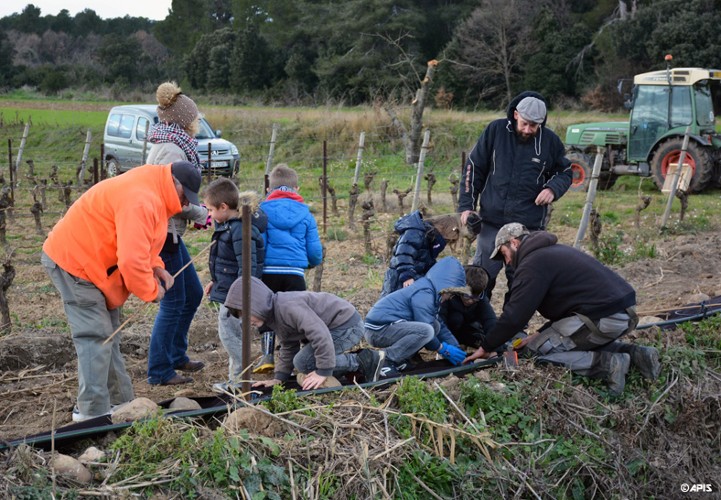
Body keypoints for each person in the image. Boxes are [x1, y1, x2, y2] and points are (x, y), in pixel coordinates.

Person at [41, 161, 201, 422]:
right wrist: (151, 291)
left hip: (95, 264)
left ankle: (121, 403)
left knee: (109, 333)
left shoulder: (154, 191)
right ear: (176, 185)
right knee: (96, 336)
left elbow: (143, 243)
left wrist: (157, 267)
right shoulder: (142, 199)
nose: (185, 203)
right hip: (74, 263)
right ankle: (92, 414)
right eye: (185, 196)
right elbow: (130, 260)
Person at [464, 223, 662, 395]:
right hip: (623, 313)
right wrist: (539, 334)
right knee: (552, 342)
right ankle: (635, 354)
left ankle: (608, 365)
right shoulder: (555, 252)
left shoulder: (532, 263)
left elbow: (515, 315)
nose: (506, 262)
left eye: (503, 255)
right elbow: (569, 308)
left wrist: (486, 347)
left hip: (601, 319)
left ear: (514, 243)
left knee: (531, 355)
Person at [458, 92, 573, 301]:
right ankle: (475, 326)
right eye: (525, 124)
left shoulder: (550, 142)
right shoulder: (495, 131)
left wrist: (552, 189)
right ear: (515, 114)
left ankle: (515, 329)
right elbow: (473, 168)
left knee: (522, 283)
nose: (528, 130)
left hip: (527, 228)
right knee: (480, 278)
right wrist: (466, 205)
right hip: (491, 223)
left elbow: (564, 172)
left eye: (534, 126)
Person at [146, 81, 209, 386]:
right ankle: (159, 370)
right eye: (195, 117)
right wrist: (203, 214)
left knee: (193, 293)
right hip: (164, 231)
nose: (198, 122)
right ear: (186, 119)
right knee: (174, 301)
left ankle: (175, 355)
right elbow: (174, 198)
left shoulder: (171, 142)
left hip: (171, 230)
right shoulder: (172, 148)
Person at [225, 277, 377, 390]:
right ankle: (348, 364)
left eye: (245, 313)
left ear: (256, 304)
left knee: (305, 363)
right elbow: (288, 345)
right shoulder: (273, 316)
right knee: (304, 362)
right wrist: (279, 378)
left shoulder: (287, 307)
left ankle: (361, 360)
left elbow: (319, 333)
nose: (245, 320)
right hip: (331, 329)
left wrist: (323, 372)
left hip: (346, 325)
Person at [255, 163, 323, 373]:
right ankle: (302, 360)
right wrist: (312, 262)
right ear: (297, 189)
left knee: (267, 314)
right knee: (298, 314)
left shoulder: (262, 211)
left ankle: (267, 356)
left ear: (269, 189)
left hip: (268, 273)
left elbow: (260, 244)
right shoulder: (305, 213)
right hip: (294, 273)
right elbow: (313, 250)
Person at [202, 179, 267, 393]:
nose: (209, 214)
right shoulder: (227, 227)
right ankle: (236, 380)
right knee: (231, 333)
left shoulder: (239, 229)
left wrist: (240, 297)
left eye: (211, 209)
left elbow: (248, 265)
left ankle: (243, 374)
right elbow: (226, 261)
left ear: (223, 207)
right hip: (228, 288)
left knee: (228, 333)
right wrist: (215, 281)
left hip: (235, 295)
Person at [363, 256, 469, 381]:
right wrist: (442, 349)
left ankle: (403, 358)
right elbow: (424, 325)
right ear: (445, 286)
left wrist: (455, 347)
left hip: (389, 327)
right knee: (427, 330)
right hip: (378, 330)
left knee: (435, 326)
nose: (450, 298)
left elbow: (437, 324)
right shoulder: (425, 292)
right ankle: (386, 361)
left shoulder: (430, 290)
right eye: (451, 293)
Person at [380, 210, 447, 298]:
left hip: (412, 278)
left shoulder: (430, 237)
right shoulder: (415, 232)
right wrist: (407, 275)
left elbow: (426, 260)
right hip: (401, 277)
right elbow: (403, 253)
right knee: (392, 303)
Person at [439, 265, 497, 348]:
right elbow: (441, 320)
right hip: (450, 326)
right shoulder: (447, 294)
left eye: (475, 298)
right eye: (466, 296)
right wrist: (449, 344)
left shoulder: (482, 298)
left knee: (481, 334)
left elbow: (490, 319)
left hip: (468, 325)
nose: (470, 301)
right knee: (456, 318)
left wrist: (494, 344)